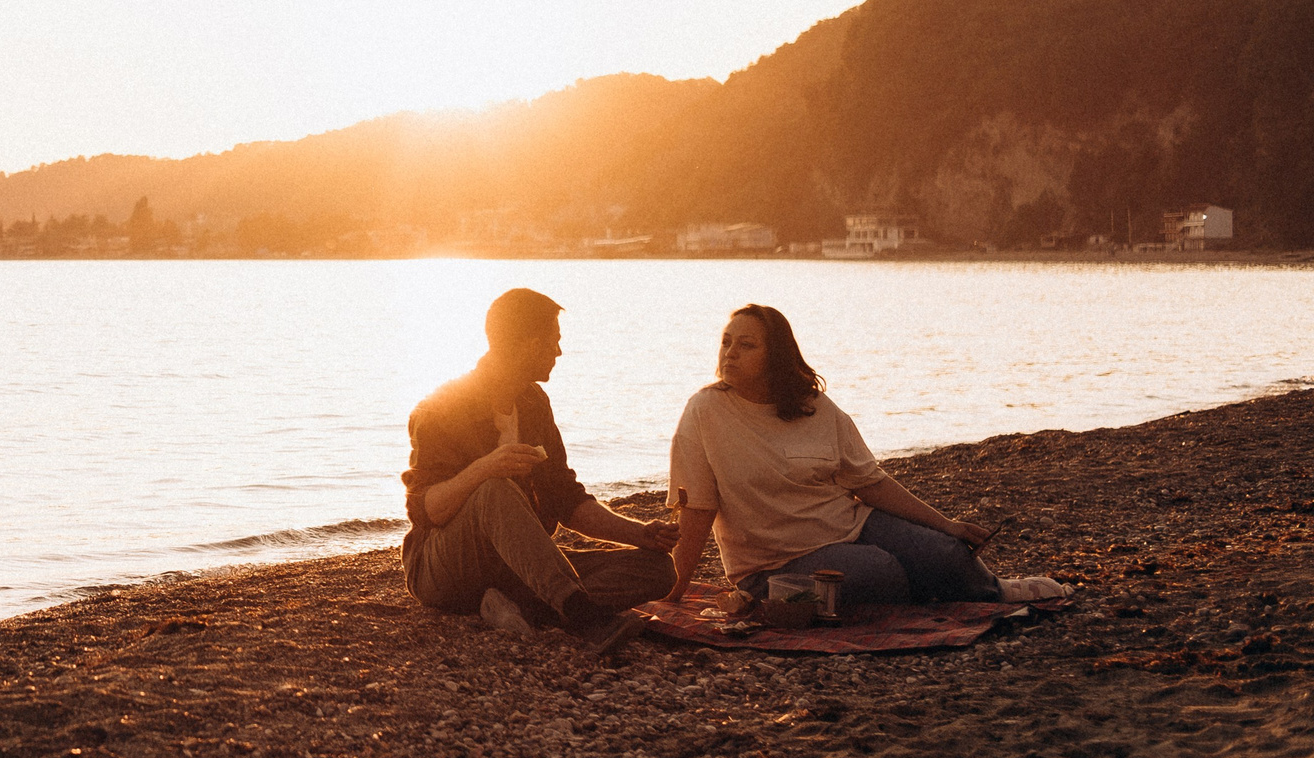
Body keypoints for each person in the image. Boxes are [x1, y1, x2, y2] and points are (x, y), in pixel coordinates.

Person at [663, 305, 1064, 607]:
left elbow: (869, 482)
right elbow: (697, 509)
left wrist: (947, 525)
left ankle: (993, 592)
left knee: (945, 551)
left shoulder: (814, 406)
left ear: (775, 356)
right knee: (879, 571)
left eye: (746, 345)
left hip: (851, 525)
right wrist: (673, 590)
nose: (730, 352)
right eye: (726, 341)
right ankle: (775, 598)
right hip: (774, 562)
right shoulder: (704, 412)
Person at [402, 288, 678, 656]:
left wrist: (639, 533)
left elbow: (565, 498)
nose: (559, 352)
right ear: (531, 345)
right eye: (554, 341)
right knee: (494, 488)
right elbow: (426, 510)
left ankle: (519, 607)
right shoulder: (442, 409)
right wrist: (485, 467)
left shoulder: (533, 403)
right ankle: (583, 616)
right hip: (443, 568)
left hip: (516, 570)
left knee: (658, 570)